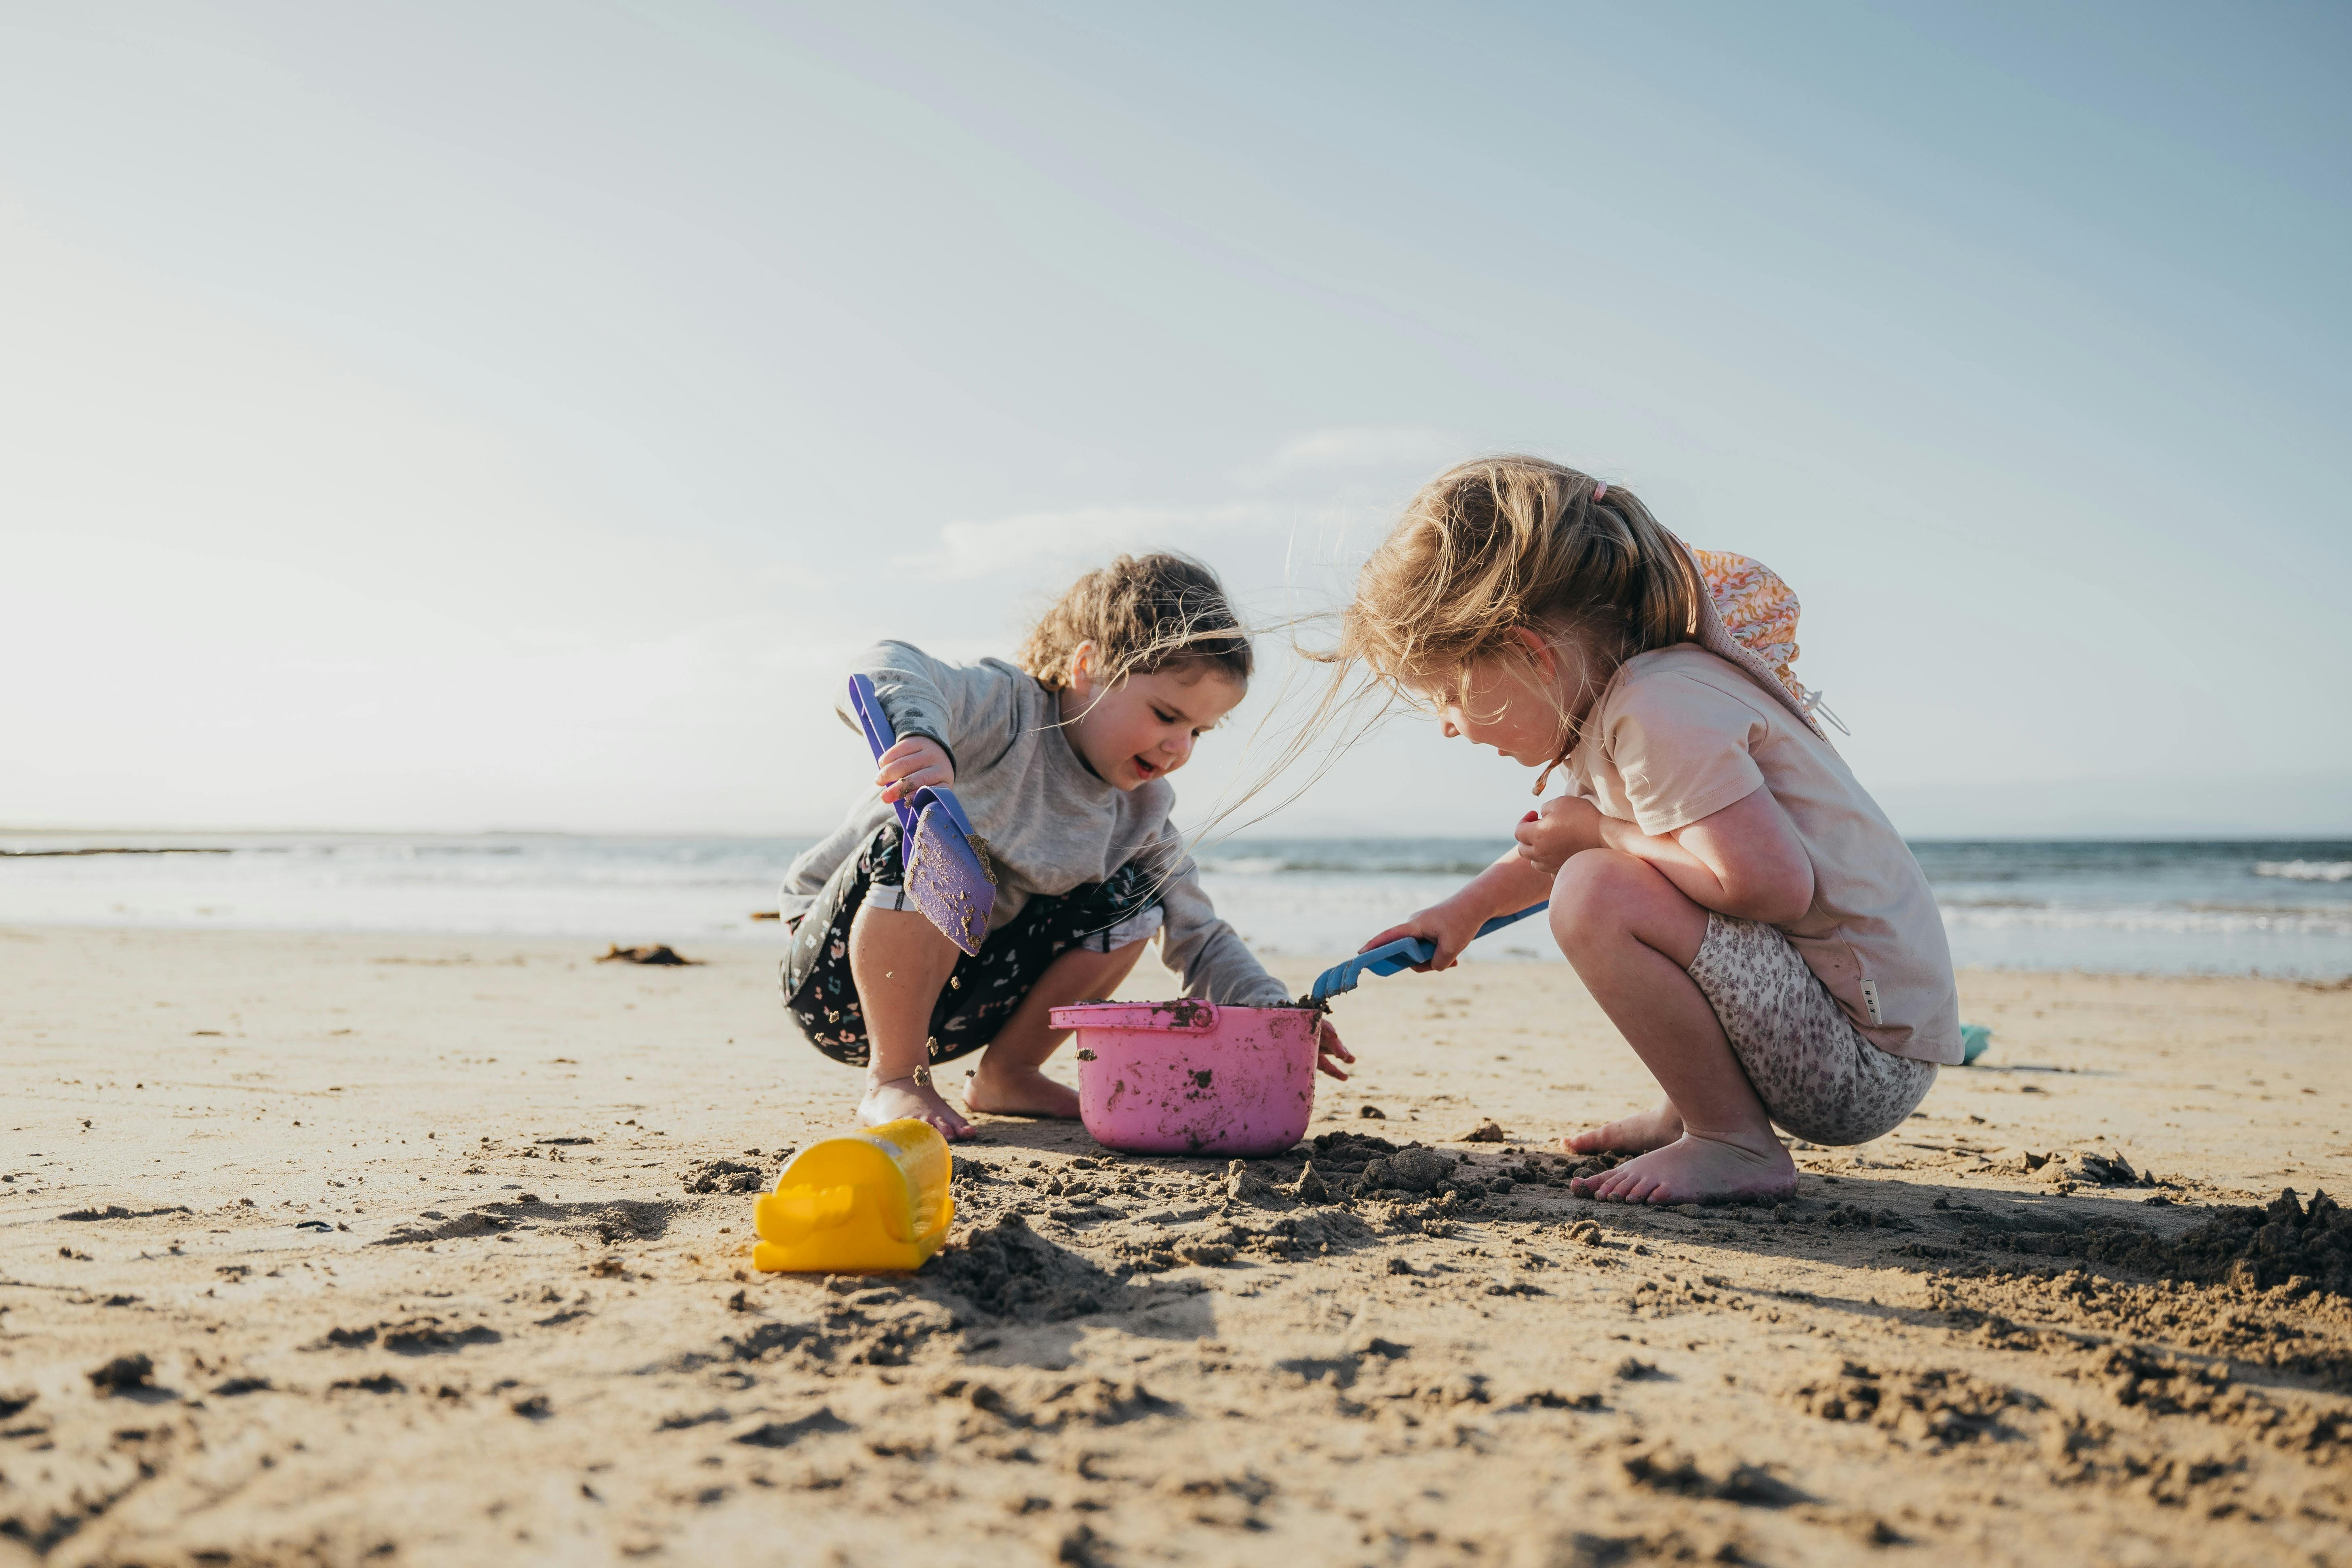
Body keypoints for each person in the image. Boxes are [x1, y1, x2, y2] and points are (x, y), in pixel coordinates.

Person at [1336, 457, 1958, 1204]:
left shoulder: (1661, 710)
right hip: (1829, 1029)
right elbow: (1556, 845)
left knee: (1595, 890)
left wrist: (1602, 834)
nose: (1444, 725)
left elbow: (1767, 886)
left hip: (1861, 1057)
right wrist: (1463, 912)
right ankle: (1694, 1110)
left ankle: (1732, 1140)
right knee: (1594, 870)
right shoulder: (1624, 701)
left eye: (1445, 693)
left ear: (1528, 654)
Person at [781, 551, 1350, 1140]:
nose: (1179, 747)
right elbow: (883, 664)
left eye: (1198, 732)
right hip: (841, 980)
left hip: (964, 1002)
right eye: (1165, 714)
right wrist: (922, 736)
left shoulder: (1142, 813)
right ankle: (896, 1075)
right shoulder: (1005, 710)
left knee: (1139, 899)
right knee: (925, 836)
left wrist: (1275, 1011)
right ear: (1088, 665)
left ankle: (1009, 1073)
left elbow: (1198, 936)